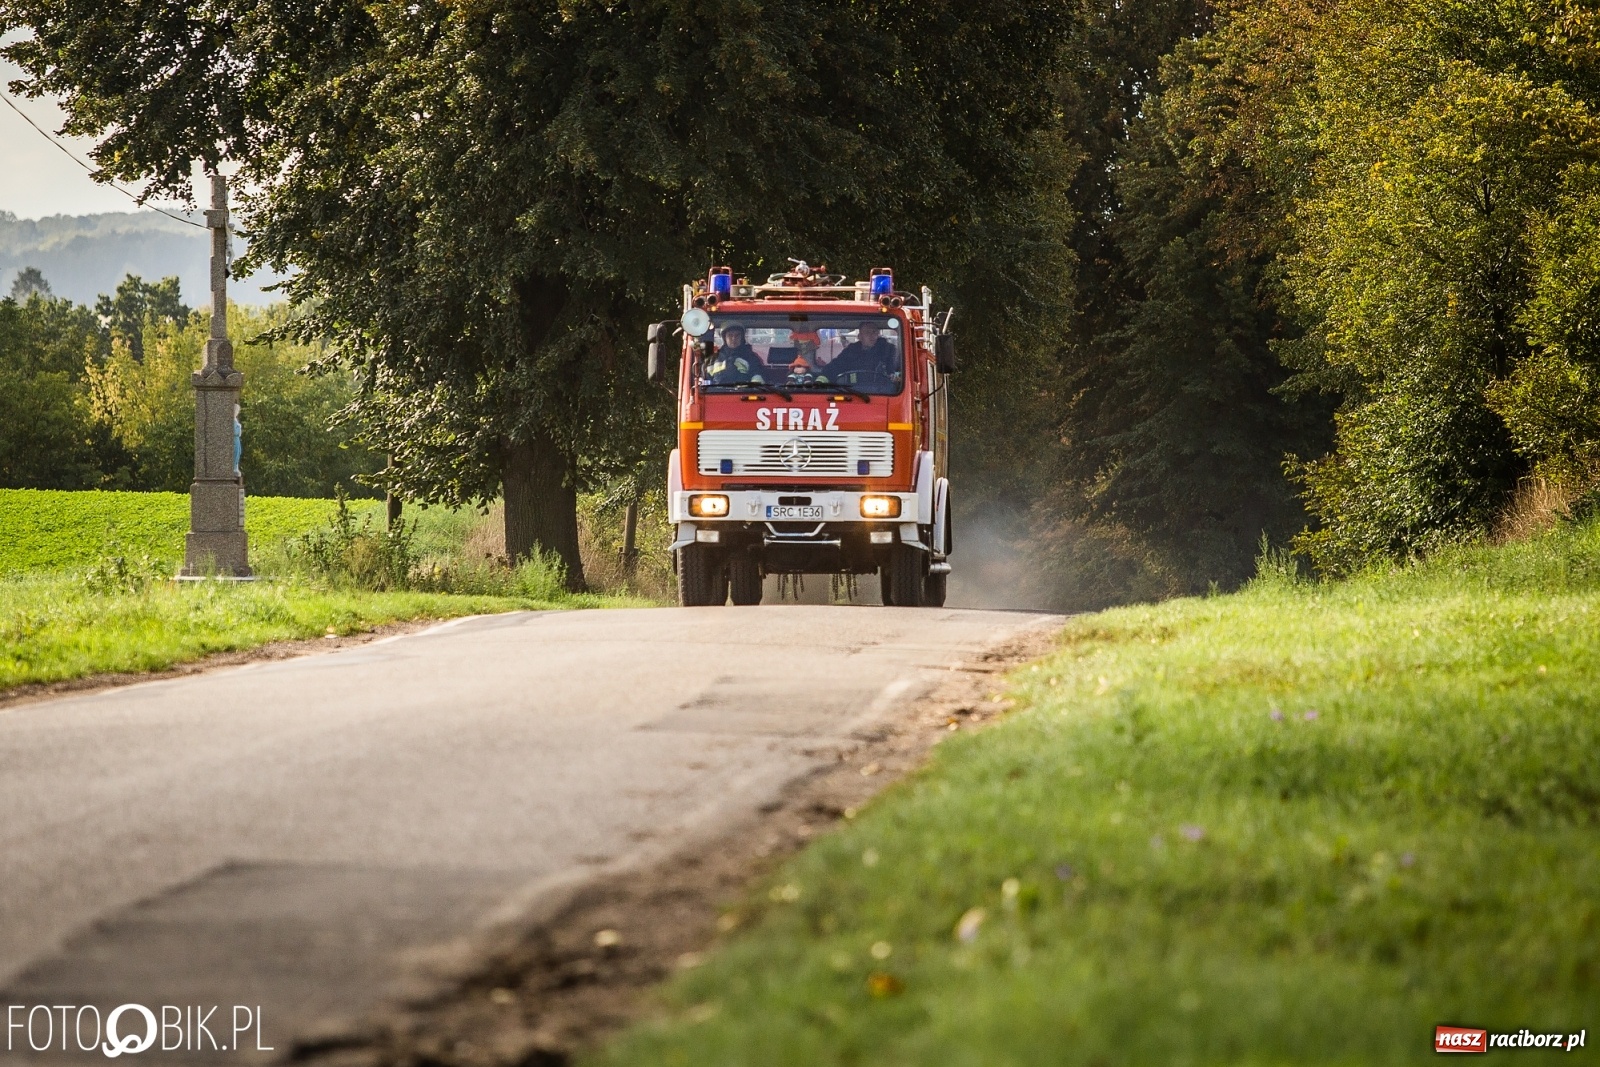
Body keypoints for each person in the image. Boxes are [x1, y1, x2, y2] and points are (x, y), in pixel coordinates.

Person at [824, 321, 899, 385]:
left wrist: (895, 376)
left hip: (882, 392)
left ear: (878, 334)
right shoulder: (851, 351)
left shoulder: (888, 350)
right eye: (867, 332)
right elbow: (835, 366)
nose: (871, 335)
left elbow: (897, 370)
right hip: (853, 391)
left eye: (874, 332)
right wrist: (820, 381)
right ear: (859, 337)